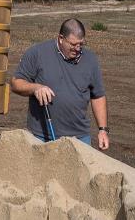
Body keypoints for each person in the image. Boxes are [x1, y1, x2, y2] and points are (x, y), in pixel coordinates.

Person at [11, 19, 109, 150]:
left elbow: (97, 96)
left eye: (81, 44)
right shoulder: (37, 53)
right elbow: (16, 83)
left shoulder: (90, 60)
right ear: (61, 38)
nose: (78, 49)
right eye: (73, 44)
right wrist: (35, 88)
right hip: (41, 137)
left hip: (79, 138)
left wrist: (103, 130)